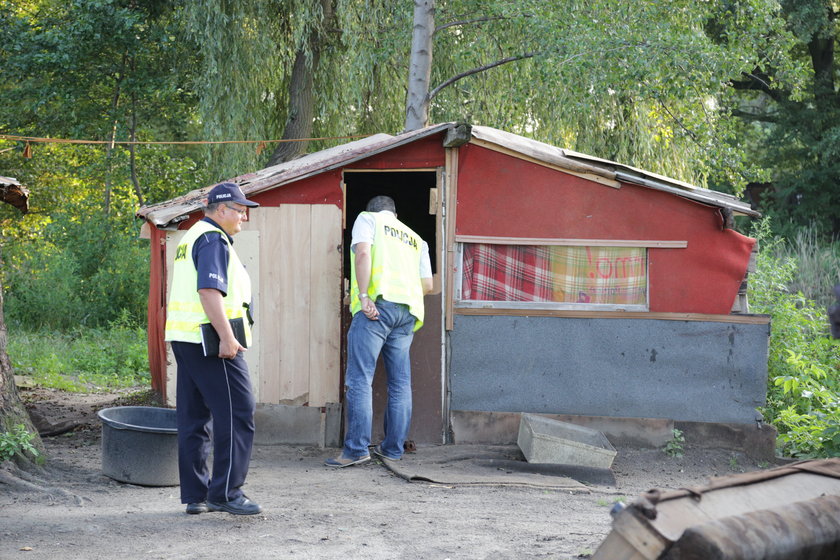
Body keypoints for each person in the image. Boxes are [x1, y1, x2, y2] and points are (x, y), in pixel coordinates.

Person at [164, 182, 262, 515]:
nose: (244, 217)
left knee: (194, 417)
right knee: (237, 412)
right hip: (210, 340)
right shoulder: (212, 239)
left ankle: (197, 495)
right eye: (240, 210)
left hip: (185, 338)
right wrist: (227, 337)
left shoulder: (191, 236)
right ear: (222, 210)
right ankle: (226, 494)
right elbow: (209, 292)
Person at [326, 195, 434, 468]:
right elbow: (428, 284)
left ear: (372, 210)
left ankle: (356, 450)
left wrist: (364, 296)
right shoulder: (416, 238)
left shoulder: (367, 219)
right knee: (400, 383)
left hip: (376, 308)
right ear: (395, 215)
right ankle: (393, 449)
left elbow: (362, 253)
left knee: (360, 379)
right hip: (407, 313)